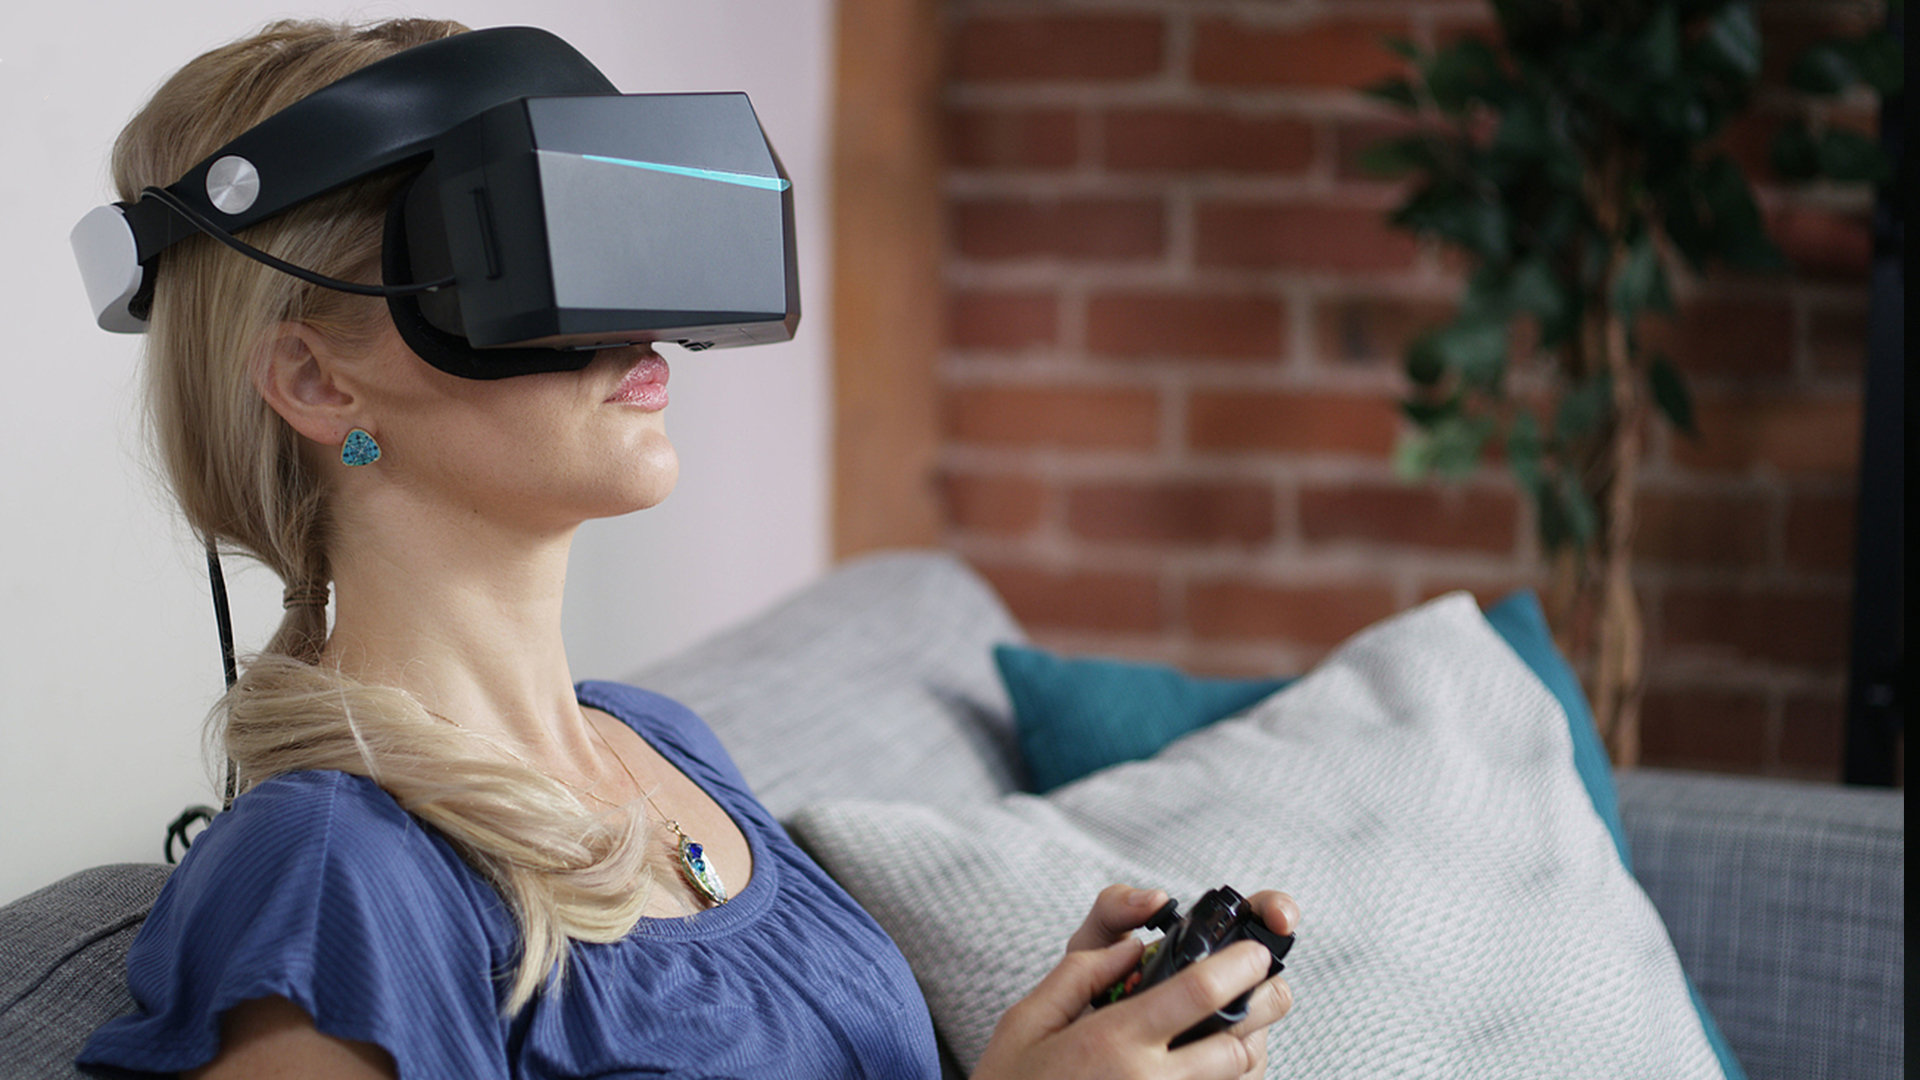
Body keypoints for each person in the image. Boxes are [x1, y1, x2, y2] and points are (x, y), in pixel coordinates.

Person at [74, 19, 1297, 1080]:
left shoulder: (662, 743)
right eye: (540, 247)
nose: (640, 323)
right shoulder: (327, 875)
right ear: (314, 380)